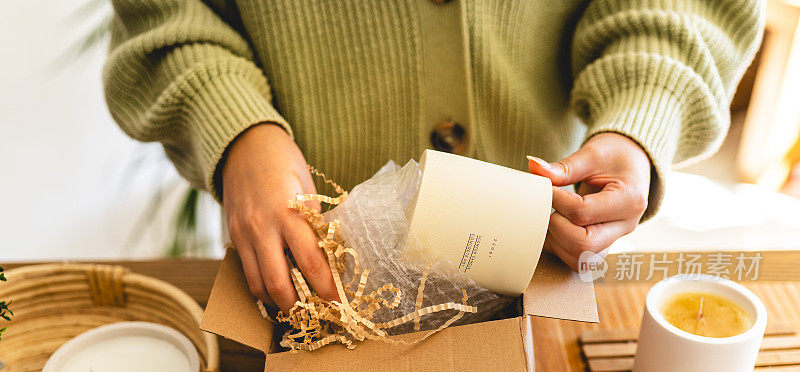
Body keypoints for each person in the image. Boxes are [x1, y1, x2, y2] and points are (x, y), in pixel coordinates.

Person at [104, 0, 763, 314]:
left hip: (536, 267)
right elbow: (164, 16)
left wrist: (645, 107)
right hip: (306, 279)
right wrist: (234, 126)